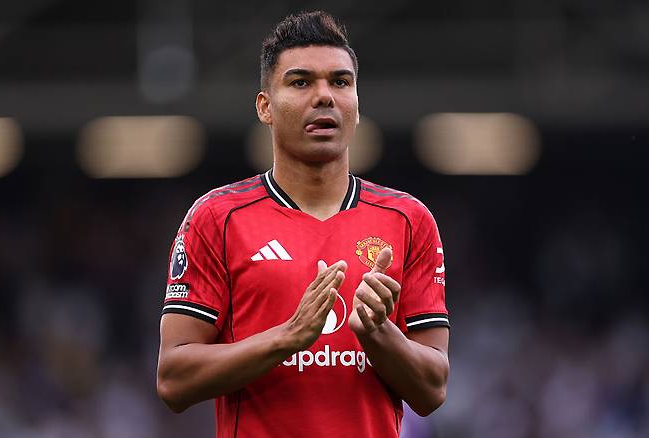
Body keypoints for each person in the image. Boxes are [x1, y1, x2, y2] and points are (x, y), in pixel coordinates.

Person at [157, 10, 449, 438]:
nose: (324, 96)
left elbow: (433, 390)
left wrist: (378, 332)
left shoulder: (409, 220)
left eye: (340, 82)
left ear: (357, 106)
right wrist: (288, 337)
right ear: (265, 107)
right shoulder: (216, 218)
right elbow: (173, 380)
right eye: (300, 82)